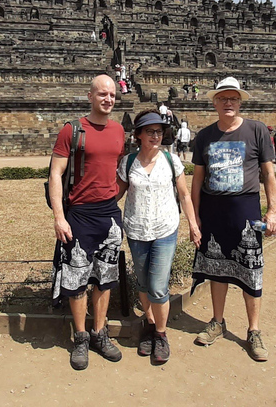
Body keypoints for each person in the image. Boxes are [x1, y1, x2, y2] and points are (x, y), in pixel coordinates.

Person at [190, 76, 276, 362]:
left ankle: (253, 330)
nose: (229, 103)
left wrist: (272, 210)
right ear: (214, 102)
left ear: (240, 102)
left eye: (234, 99)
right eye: (223, 98)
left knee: (250, 271)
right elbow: (197, 180)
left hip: (246, 209)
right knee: (217, 269)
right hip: (213, 210)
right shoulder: (204, 136)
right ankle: (218, 321)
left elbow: (268, 173)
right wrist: (195, 218)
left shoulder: (257, 130)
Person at [49, 74, 126, 370]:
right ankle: (80, 336)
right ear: (90, 96)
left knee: (105, 278)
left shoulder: (119, 130)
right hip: (78, 213)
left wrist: (111, 200)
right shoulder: (72, 130)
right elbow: (55, 174)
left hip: (108, 214)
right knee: (77, 277)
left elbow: (119, 170)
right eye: (102, 94)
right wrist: (59, 216)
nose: (108, 99)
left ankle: (99, 333)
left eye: (112, 95)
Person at [116, 110, 200, 365]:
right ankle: (150, 325)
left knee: (157, 286)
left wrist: (193, 225)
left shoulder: (171, 160)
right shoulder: (127, 163)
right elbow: (115, 196)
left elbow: (184, 195)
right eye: (150, 132)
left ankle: (161, 335)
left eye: (159, 132)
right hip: (137, 230)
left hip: (165, 229)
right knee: (142, 283)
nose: (156, 136)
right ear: (138, 135)